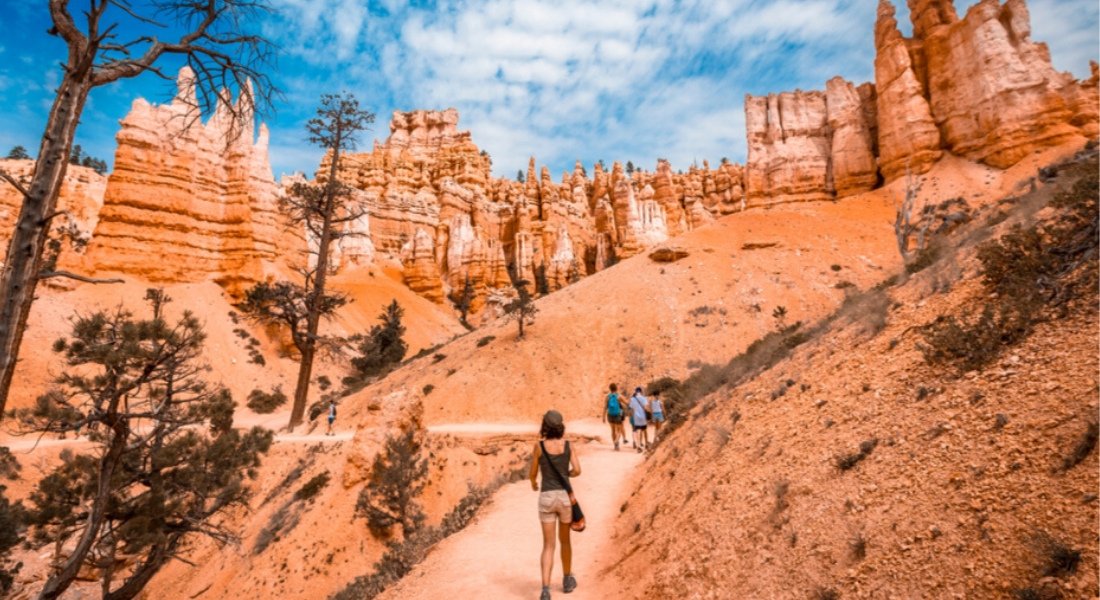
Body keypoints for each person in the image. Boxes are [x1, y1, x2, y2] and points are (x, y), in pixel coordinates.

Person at [529, 410, 581, 599]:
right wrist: (567, 475)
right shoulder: (568, 445)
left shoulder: (539, 447)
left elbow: (532, 473)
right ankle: (567, 580)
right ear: (561, 426)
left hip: (547, 497)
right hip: (564, 498)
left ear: (544, 426)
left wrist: (534, 483)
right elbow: (577, 470)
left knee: (548, 545)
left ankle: (545, 589)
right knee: (565, 541)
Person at [601, 383, 627, 451]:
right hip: (617, 415)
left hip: (610, 415)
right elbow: (627, 403)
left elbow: (605, 407)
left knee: (612, 430)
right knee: (618, 431)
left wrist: (603, 417)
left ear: (610, 389)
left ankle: (615, 446)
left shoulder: (607, 397)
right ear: (616, 388)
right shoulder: (618, 396)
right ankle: (616, 440)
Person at [628, 388, 649, 453]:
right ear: (641, 392)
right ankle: (646, 444)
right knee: (643, 431)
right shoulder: (644, 398)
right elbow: (646, 408)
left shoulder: (632, 399)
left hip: (636, 417)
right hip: (643, 417)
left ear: (636, 392)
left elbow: (631, 409)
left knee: (636, 431)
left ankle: (638, 445)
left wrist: (631, 416)